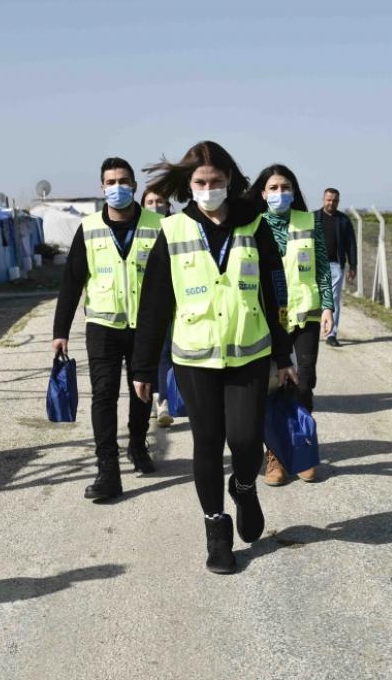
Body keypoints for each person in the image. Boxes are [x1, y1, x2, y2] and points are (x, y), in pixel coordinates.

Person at [131, 141, 296, 574]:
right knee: (207, 443)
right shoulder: (172, 232)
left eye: (216, 181)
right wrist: (144, 368)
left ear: (230, 181)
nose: (208, 189)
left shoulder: (255, 226)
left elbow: (274, 291)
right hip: (194, 359)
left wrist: (284, 353)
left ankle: (243, 487)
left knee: (244, 441)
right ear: (189, 185)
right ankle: (216, 531)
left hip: (249, 355)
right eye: (200, 182)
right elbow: (153, 307)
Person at [53, 158, 163, 502]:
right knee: (104, 395)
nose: (118, 187)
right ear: (102, 187)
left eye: (124, 180)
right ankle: (108, 470)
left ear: (134, 185)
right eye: (111, 181)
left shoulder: (159, 225)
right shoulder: (88, 228)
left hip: (145, 326)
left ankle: (137, 443)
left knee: (142, 390)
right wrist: (61, 331)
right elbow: (71, 282)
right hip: (102, 326)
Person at [246, 164, 334, 485]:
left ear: (294, 191)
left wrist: (328, 305)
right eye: (273, 188)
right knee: (273, 385)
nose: (279, 193)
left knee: (303, 382)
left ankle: (303, 450)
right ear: (262, 193)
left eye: (285, 187)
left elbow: (322, 266)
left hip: (305, 314)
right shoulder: (253, 226)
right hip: (271, 317)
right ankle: (276, 456)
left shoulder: (309, 221)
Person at [141, 186, 177, 427]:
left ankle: (163, 401)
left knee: (165, 352)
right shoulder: (139, 231)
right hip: (143, 303)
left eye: (160, 201)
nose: (155, 206)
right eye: (150, 202)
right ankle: (151, 400)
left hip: (173, 300)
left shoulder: (177, 228)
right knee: (147, 354)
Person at [314, 188, 357, 347]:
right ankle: (311, 331)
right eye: (328, 200)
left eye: (335, 201)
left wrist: (353, 265)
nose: (331, 203)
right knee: (313, 299)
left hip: (335, 266)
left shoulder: (344, 220)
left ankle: (331, 334)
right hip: (315, 266)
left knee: (333, 300)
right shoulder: (313, 218)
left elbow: (351, 245)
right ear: (323, 199)